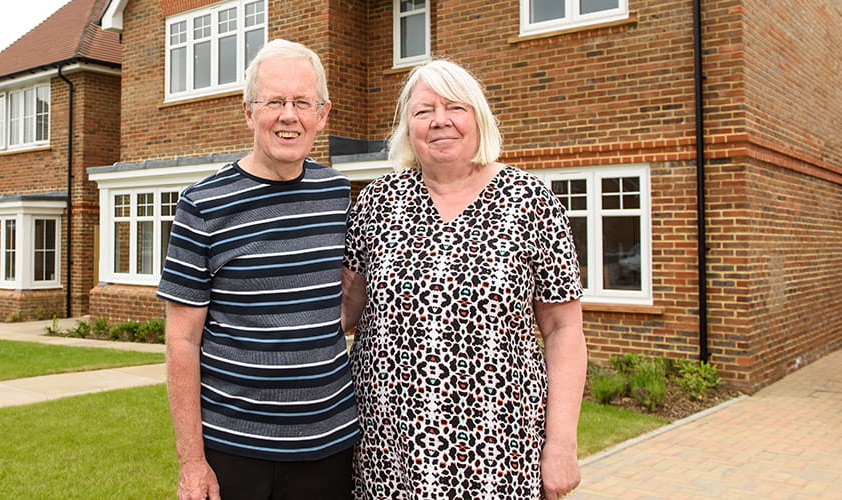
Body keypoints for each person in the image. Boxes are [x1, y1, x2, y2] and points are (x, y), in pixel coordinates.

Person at [342, 59, 587, 499]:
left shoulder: (531, 201)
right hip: (386, 452)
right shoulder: (377, 202)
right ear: (407, 127)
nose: (439, 121)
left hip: (500, 452)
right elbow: (345, 311)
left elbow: (563, 328)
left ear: (478, 116)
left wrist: (562, 444)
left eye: (454, 107)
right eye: (423, 111)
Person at [157, 39, 360, 500]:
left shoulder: (337, 195)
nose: (289, 116)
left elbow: (340, 305)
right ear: (249, 112)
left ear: (322, 114)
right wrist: (192, 462)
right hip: (236, 453)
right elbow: (182, 341)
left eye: (302, 102)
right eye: (275, 102)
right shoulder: (203, 206)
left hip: (330, 447)